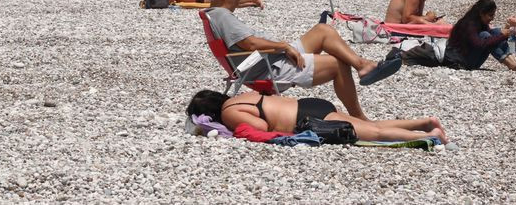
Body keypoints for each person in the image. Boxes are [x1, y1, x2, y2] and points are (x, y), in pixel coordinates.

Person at [203, 0, 402, 119]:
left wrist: (252, 1)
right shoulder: (222, 15)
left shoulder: (216, 13)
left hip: (268, 59)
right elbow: (249, 43)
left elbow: (242, 32)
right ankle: (359, 118)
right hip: (269, 67)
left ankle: (363, 66)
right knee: (338, 63)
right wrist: (283, 46)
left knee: (323, 31)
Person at [186, 90, 447, 143]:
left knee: (374, 134)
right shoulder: (239, 95)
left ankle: (431, 135)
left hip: (306, 119)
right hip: (309, 104)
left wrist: (235, 129)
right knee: (370, 125)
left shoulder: (229, 112)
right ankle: (425, 122)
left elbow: (261, 126)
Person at [443, 0, 516, 71]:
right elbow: (480, 44)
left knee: (497, 32)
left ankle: (514, 63)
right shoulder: (469, 24)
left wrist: (510, 28)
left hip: (470, 58)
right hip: (462, 62)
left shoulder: (480, 22)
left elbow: (495, 38)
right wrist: (505, 34)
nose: (492, 18)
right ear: (481, 13)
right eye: (490, 15)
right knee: (487, 35)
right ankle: (511, 65)